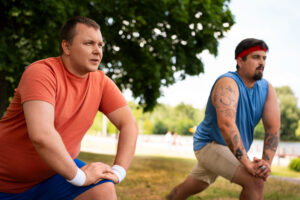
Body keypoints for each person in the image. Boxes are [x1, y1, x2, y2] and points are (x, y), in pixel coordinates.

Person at [0, 16, 138, 200]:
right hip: (5, 184)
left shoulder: (101, 82)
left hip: (52, 177)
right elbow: (42, 135)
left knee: (102, 189)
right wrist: (79, 177)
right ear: (66, 47)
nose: (97, 51)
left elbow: (129, 125)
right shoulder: (41, 73)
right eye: (89, 43)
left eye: (100, 45)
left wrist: (119, 171)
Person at [167, 38, 280, 200]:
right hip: (209, 144)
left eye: (264, 58)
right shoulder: (228, 83)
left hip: (229, 150)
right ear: (240, 60)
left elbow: (273, 129)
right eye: (256, 57)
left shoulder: (267, 89)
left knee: (190, 187)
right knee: (255, 181)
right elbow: (226, 124)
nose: (261, 62)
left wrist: (266, 163)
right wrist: (247, 162)